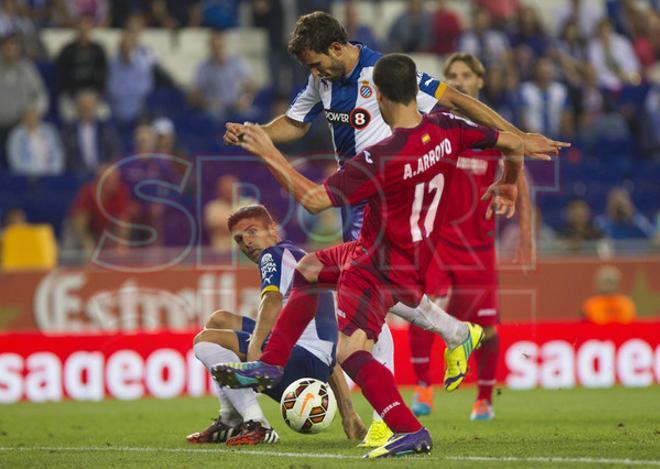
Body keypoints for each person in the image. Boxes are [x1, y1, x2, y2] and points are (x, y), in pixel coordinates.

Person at [222, 11, 567, 448]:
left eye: (316, 64)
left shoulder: (383, 102)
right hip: (375, 208)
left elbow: (456, 98)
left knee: (358, 332)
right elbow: (296, 121)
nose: (314, 74)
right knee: (310, 270)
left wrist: (266, 153)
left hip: (380, 203)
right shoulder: (442, 129)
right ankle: (451, 335)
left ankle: (396, 419)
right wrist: (257, 133)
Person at [407, 53, 532, 421]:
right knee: (421, 309)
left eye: (466, 75)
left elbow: (516, 173)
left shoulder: (493, 131)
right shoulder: (433, 123)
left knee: (487, 327)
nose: (459, 81)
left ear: (480, 81)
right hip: (437, 241)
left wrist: (525, 234)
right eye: (453, 75)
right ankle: (423, 387)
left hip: (478, 245)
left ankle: (484, 400)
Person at [187, 203, 366, 445]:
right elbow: (326, 346)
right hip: (314, 365)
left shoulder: (273, 255)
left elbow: (271, 300)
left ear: (273, 230)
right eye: (239, 239)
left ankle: (255, 423)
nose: (247, 242)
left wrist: (255, 354)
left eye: (252, 232)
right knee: (219, 320)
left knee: (203, 341)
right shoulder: (298, 257)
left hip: (297, 364)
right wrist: (349, 413)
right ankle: (230, 419)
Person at [0, 32, 48, 167]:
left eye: (13, 45)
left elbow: (40, 95)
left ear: (19, 48)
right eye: (6, 45)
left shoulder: (26, 68)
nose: (10, 49)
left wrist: (35, 111)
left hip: (19, 126)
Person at [189, 31, 257, 123]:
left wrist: (246, 98)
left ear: (225, 46)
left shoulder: (236, 62)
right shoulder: (203, 67)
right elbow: (194, 96)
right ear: (210, 48)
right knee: (215, 116)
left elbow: (252, 86)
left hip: (235, 105)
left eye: (220, 46)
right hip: (215, 107)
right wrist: (206, 103)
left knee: (253, 115)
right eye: (214, 47)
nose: (217, 50)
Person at [61, 89, 120, 174]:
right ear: (77, 107)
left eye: (89, 106)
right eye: (83, 106)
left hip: (102, 173)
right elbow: (66, 155)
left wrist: (106, 166)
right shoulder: (68, 131)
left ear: (95, 107)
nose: (86, 109)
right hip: (77, 175)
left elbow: (114, 151)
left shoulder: (105, 129)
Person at [55, 15, 108, 110]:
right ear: (76, 30)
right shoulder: (67, 51)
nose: (84, 32)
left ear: (90, 30)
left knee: (104, 113)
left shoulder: (98, 50)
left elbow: (103, 75)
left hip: (93, 94)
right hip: (72, 95)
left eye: (86, 29)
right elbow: (62, 77)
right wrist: (76, 96)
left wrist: (94, 95)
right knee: (67, 111)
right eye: (81, 29)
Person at [7, 105, 65, 176]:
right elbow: (15, 159)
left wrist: (53, 172)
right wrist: (30, 174)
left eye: (34, 115)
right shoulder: (16, 135)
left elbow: (58, 153)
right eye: (28, 116)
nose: (31, 118)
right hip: (26, 176)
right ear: (23, 118)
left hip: (50, 174)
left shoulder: (49, 131)